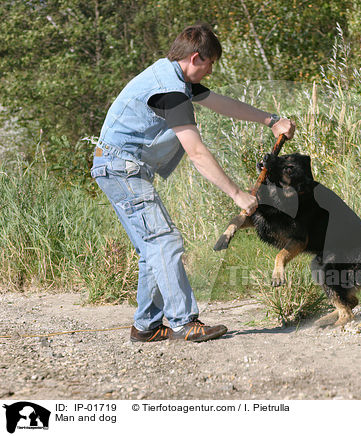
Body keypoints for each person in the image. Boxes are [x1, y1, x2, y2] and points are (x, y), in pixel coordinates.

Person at [90, 23, 295, 343]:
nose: (211, 71)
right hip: (121, 167)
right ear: (197, 58)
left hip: (120, 166)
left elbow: (220, 102)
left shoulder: (174, 77)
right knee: (164, 240)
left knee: (153, 247)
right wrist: (237, 193)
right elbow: (197, 153)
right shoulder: (170, 91)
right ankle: (185, 322)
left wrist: (270, 120)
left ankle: (146, 326)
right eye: (210, 64)